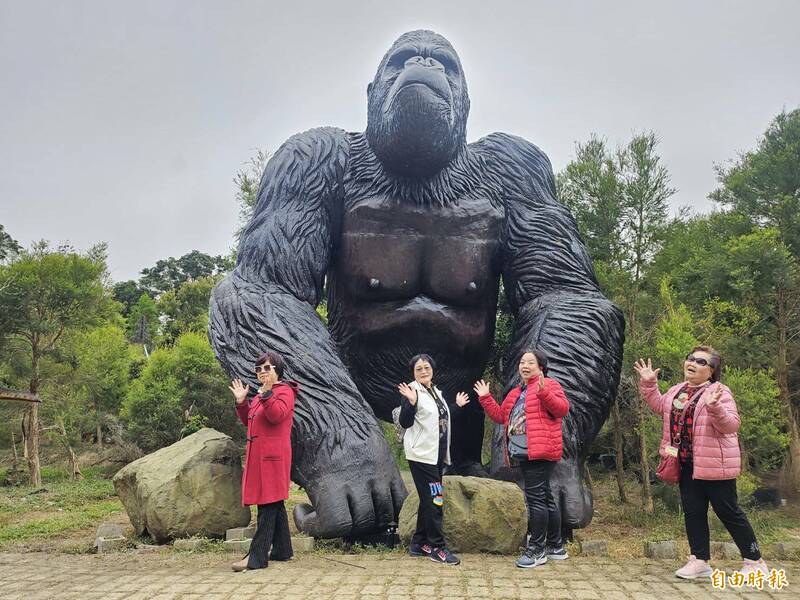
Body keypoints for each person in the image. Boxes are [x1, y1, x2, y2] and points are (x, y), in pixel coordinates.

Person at [634, 346, 768, 579]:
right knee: (693, 512)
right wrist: (649, 384)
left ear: (712, 371)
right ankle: (700, 560)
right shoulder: (678, 391)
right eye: (690, 358)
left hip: (715, 466)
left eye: (701, 361)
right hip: (686, 464)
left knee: (729, 512)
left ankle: (755, 561)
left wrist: (714, 407)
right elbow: (661, 407)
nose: (692, 363)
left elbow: (732, 425)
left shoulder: (719, 392)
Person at [474, 349, 570, 568]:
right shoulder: (517, 392)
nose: (524, 366)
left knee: (536, 498)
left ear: (541, 367)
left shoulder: (551, 385)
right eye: (522, 362)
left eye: (530, 363)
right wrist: (485, 398)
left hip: (541, 451)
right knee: (545, 497)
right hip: (525, 451)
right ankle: (555, 546)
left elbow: (562, 410)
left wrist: (545, 393)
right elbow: (501, 416)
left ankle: (537, 550)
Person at [229, 351, 297, 572]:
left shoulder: (285, 392)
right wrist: (241, 403)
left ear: (277, 370)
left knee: (267, 504)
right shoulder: (261, 395)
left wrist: (267, 395)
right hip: (261, 456)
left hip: (273, 458)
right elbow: (251, 421)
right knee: (273, 502)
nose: (261, 373)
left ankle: (256, 558)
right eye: (258, 369)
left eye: (266, 368)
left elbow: (276, 415)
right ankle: (282, 550)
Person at [398, 353, 469, 565]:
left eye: (426, 367)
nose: (423, 372)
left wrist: (455, 406)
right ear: (413, 372)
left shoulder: (435, 392)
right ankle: (437, 547)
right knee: (435, 499)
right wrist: (410, 403)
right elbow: (405, 422)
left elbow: (439, 420)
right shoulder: (413, 391)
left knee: (429, 498)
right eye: (418, 369)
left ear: (432, 369)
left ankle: (419, 543)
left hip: (436, 454)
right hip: (421, 455)